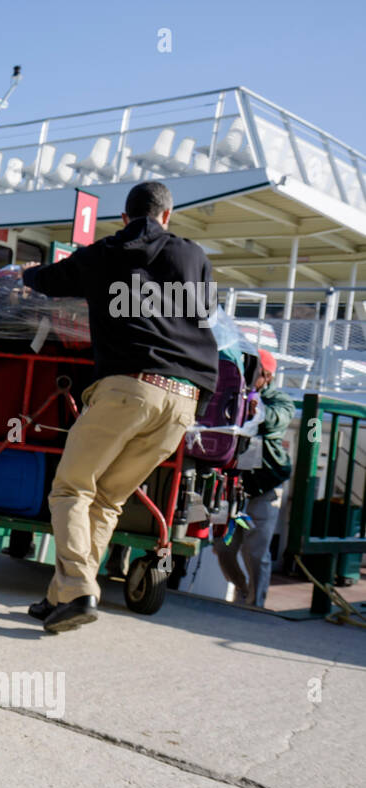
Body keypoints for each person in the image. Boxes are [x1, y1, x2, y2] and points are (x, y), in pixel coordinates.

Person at [20, 181, 218, 632]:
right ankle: (59, 596)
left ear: (125, 218)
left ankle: (77, 590)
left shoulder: (105, 253)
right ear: (167, 216)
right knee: (107, 499)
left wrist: (28, 273)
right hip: (184, 400)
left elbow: (50, 282)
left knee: (71, 488)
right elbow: (204, 311)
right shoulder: (195, 257)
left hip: (130, 388)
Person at [215, 349, 293, 607]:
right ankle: (242, 588)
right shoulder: (233, 391)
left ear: (267, 376)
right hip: (235, 488)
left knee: (256, 552)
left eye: (254, 371)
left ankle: (255, 602)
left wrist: (259, 410)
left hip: (265, 487)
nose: (247, 375)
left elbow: (276, 421)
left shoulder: (279, 401)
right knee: (223, 548)